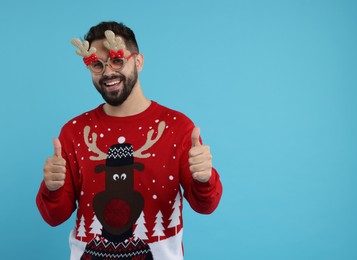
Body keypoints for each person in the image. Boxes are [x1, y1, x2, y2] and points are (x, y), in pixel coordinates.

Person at [36, 21, 223, 260]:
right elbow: (54, 217)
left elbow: (205, 206)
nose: (108, 73)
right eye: (97, 65)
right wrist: (52, 188)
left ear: (138, 61)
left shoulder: (178, 128)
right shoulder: (74, 133)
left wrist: (205, 179)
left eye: (117, 60)